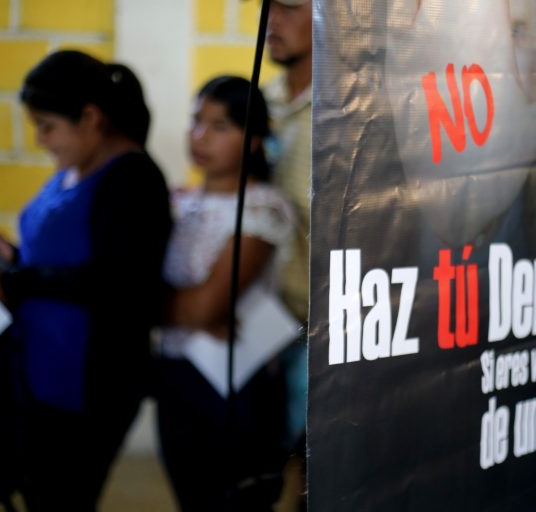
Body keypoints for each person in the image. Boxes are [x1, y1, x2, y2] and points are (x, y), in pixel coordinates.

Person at [0, 50, 172, 511]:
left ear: (90, 117)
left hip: (88, 386)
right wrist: (14, 260)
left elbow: (119, 283)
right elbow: (67, 256)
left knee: (62, 499)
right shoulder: (72, 169)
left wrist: (21, 280)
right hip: (44, 371)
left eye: (48, 126)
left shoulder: (132, 180)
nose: (40, 139)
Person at [154, 75, 295, 511]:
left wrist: (163, 305)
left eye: (219, 126)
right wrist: (187, 308)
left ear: (252, 141)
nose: (200, 136)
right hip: (174, 375)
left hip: (236, 383)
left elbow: (205, 305)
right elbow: (152, 294)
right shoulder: (175, 202)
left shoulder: (263, 207)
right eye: (196, 121)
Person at [264, 0, 312, 463]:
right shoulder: (262, 104)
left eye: (289, 7)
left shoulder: (347, 111)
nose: (272, 22)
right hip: (262, 316)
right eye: (268, 8)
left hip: (322, 323)